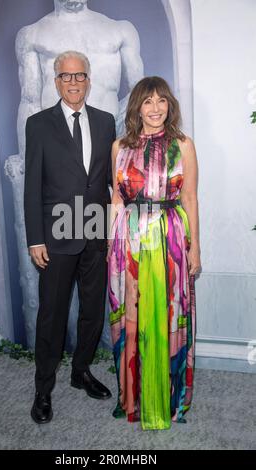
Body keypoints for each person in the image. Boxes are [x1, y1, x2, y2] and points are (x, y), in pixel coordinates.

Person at [24, 50, 116, 424]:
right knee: (52, 315)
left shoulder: (107, 121)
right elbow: (32, 186)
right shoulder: (38, 124)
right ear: (56, 80)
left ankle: (81, 372)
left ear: (89, 79)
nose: (73, 82)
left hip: (95, 229)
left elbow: (112, 181)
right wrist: (35, 238)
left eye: (79, 76)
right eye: (66, 76)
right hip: (57, 233)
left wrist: (117, 229)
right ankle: (43, 390)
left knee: (93, 312)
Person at [108, 76, 201, 430]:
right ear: (137, 107)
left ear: (169, 106)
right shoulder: (119, 146)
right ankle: (132, 397)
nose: (155, 108)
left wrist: (195, 249)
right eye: (148, 101)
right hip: (127, 241)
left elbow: (190, 198)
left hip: (170, 238)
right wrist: (109, 248)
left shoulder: (183, 145)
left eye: (162, 100)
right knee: (131, 317)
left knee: (167, 315)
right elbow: (116, 198)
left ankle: (168, 398)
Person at [16, 0, 144, 158]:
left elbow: (141, 92)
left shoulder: (120, 30)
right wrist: (27, 158)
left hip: (110, 139)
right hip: (59, 142)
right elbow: (30, 101)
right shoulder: (32, 34)